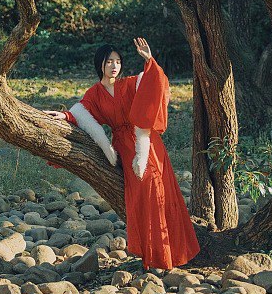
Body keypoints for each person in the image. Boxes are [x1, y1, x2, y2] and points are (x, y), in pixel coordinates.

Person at [46, 37, 200, 271]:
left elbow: (156, 84)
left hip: (145, 143)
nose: (114, 66)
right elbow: (83, 114)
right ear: (101, 64)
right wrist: (65, 116)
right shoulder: (95, 93)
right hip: (124, 148)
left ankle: (169, 255)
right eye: (109, 61)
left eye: (118, 61)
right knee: (140, 200)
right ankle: (153, 256)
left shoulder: (130, 84)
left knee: (157, 192)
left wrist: (149, 60)